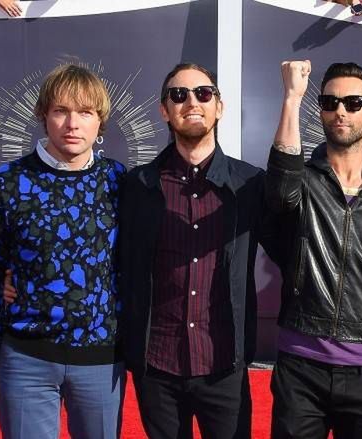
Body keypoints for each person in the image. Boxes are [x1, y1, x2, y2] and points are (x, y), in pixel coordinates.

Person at [117, 63, 273, 439]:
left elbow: (291, 248)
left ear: (219, 106)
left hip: (224, 363)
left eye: (203, 93)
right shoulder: (138, 186)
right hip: (157, 365)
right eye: (179, 95)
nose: (192, 102)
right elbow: (108, 257)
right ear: (164, 110)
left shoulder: (250, 184)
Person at [266, 60, 362, 439]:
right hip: (301, 367)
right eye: (329, 102)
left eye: (353, 103)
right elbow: (281, 194)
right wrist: (292, 98)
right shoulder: (303, 182)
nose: (341, 111)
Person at [0, 64, 126, 439]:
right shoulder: (6, 183)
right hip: (25, 360)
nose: (72, 124)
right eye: (61, 111)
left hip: (101, 359)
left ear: (100, 121)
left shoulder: (120, 181)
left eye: (85, 112)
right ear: (43, 115)